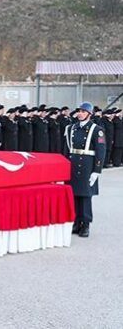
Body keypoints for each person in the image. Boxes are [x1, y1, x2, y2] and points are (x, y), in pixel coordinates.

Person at [63, 102, 106, 238]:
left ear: (89, 114)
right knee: (74, 195)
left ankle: (85, 224)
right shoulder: (71, 128)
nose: (80, 113)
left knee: (85, 196)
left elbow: (101, 150)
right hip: (73, 164)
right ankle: (75, 222)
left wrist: (97, 170)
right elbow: (66, 149)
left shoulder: (96, 129)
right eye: (79, 111)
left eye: (83, 111)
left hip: (87, 165)